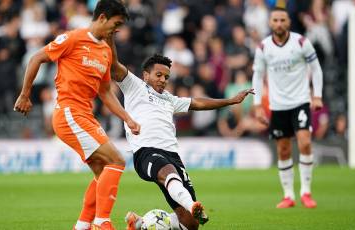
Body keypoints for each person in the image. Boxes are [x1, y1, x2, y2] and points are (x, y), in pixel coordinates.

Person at [13, 1, 140, 229]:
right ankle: (102, 223)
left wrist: (127, 118)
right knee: (117, 160)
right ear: (102, 18)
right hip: (68, 113)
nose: (117, 30)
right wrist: (25, 94)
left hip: (85, 115)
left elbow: (105, 93)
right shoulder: (72, 38)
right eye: (116, 23)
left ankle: (82, 225)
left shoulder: (105, 52)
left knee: (103, 171)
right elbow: (36, 58)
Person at [106, 35, 254, 230]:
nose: (163, 80)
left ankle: (140, 223)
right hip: (146, 151)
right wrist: (108, 34)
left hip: (172, 155)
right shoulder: (134, 86)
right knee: (169, 173)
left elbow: (197, 102)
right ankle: (192, 205)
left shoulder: (170, 99)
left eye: (166, 77)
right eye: (158, 75)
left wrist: (230, 101)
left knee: (190, 225)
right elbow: (114, 65)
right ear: (145, 75)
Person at [252, 7, 323, 209]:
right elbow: (257, 76)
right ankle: (289, 195)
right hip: (278, 105)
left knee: (304, 142)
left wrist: (316, 95)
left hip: (300, 101)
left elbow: (316, 69)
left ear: (289, 22)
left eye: (283, 19)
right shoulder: (263, 47)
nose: (279, 23)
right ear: (270, 23)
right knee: (283, 149)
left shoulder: (301, 42)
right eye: (275, 20)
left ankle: (306, 192)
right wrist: (258, 105)